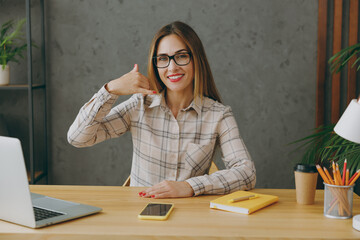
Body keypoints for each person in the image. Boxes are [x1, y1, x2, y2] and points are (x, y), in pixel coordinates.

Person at [67, 21, 256, 199]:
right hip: (141, 216)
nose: (172, 67)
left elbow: (247, 173)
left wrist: (189, 186)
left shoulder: (219, 115)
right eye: (163, 59)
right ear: (155, 64)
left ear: (196, 59)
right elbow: (78, 138)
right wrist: (110, 89)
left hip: (191, 218)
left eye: (181, 56)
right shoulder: (140, 105)